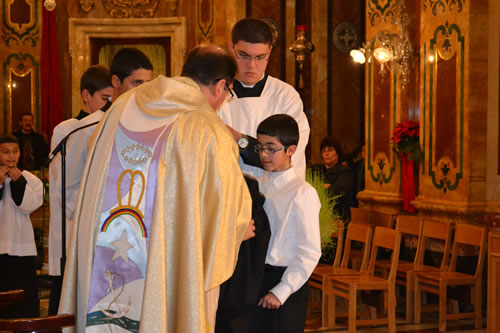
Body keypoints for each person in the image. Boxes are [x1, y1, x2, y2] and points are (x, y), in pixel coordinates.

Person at [58, 44, 254, 333]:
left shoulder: (123, 106)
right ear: (221, 85)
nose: (223, 100)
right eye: (227, 94)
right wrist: (238, 228)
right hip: (166, 263)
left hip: (105, 251)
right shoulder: (206, 127)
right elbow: (224, 205)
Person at [47, 65, 114, 314]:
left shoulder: (108, 125)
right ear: (86, 95)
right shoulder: (68, 129)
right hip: (73, 223)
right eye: (104, 99)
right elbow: (65, 184)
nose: (108, 105)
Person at [250, 114, 321, 333]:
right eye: (260, 147)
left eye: (271, 148)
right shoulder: (258, 184)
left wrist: (282, 290)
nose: (263, 154)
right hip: (255, 276)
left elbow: (309, 251)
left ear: (291, 150)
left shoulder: (302, 193)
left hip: (285, 281)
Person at [218, 18, 310, 180]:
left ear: (270, 53)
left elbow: (288, 156)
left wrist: (241, 140)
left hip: (274, 195)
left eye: (260, 57)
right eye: (244, 55)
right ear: (231, 48)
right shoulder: (216, 93)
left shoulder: (285, 96)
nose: (252, 65)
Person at [0, 134, 43, 318]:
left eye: (15, 152)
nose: (11, 156)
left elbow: (28, 206)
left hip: (21, 247)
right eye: (5, 152)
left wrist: (19, 182)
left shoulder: (31, 180)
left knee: (24, 302)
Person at [313, 136, 355, 221]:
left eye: (330, 150)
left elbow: (338, 192)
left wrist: (320, 188)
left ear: (337, 153)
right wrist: (325, 187)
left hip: (338, 218)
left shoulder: (345, 171)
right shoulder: (319, 171)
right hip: (320, 217)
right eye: (324, 151)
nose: (326, 154)